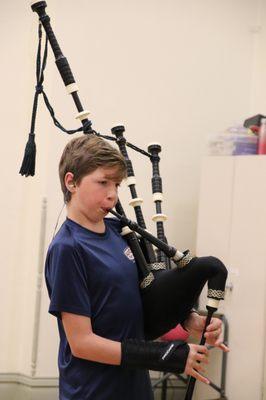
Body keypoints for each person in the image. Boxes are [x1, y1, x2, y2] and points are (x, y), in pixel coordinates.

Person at [45, 134, 229, 400]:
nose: (112, 195)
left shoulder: (121, 233)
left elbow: (142, 303)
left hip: (135, 387)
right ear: (71, 182)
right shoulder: (68, 249)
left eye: (117, 184)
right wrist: (166, 356)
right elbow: (81, 343)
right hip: (93, 391)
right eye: (103, 182)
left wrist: (190, 322)